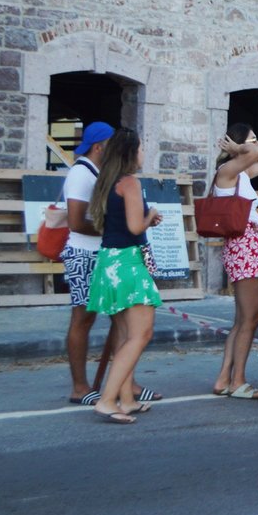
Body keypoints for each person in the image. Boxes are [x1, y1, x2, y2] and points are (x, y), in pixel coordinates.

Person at [58, 122, 144, 407]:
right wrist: (112, 229)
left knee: (121, 319)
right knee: (83, 318)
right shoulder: (81, 174)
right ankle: (80, 386)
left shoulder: (103, 173)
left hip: (104, 252)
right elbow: (75, 222)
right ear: (99, 147)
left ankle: (125, 384)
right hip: (84, 254)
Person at [83, 128, 164, 424]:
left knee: (125, 335)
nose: (143, 153)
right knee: (141, 334)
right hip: (128, 263)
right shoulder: (130, 183)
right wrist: (150, 215)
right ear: (131, 152)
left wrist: (145, 220)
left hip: (109, 261)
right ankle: (107, 400)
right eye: (141, 148)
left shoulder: (107, 181)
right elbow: (134, 227)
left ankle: (127, 399)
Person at [211, 124, 258, 400]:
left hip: (247, 248)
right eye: (252, 139)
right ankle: (237, 380)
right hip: (243, 248)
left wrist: (243, 148)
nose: (257, 143)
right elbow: (257, 153)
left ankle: (223, 378)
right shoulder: (227, 171)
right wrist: (241, 149)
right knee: (251, 317)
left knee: (242, 320)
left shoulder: (241, 174)